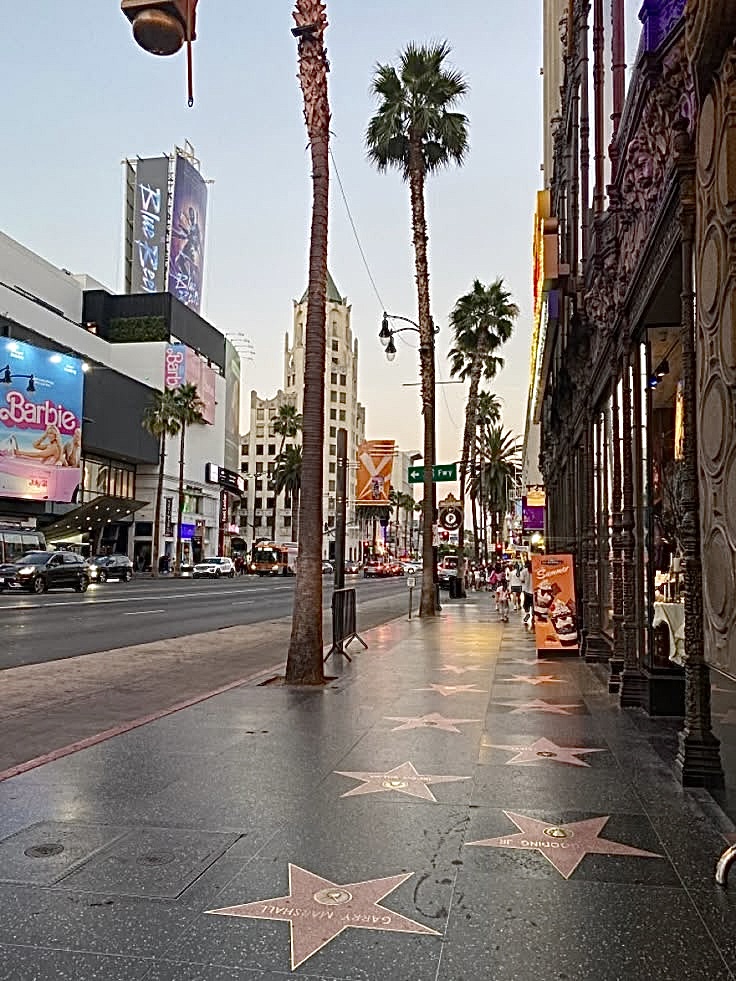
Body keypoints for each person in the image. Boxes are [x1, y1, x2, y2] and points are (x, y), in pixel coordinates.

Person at [521, 560, 534, 630]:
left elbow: (522, 580)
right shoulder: (535, 570)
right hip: (532, 592)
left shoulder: (524, 571)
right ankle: (532, 618)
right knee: (531, 606)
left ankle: (528, 616)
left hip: (527, 591)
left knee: (527, 606)